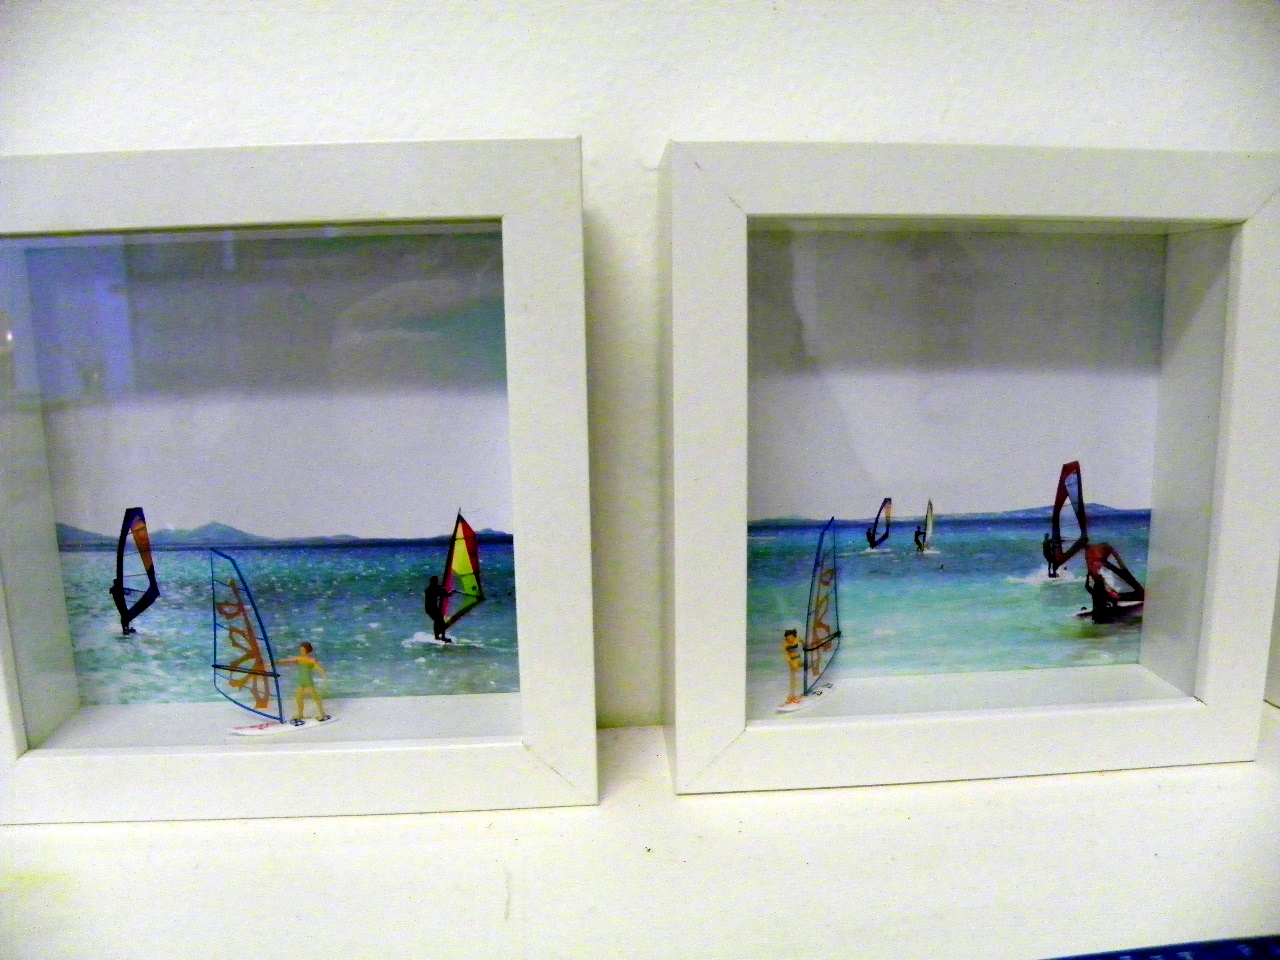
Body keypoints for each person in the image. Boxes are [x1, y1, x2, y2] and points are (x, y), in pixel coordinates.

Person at [278, 641, 329, 724]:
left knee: (315, 698)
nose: (301, 651)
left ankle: (322, 714)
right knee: (298, 698)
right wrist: (272, 663)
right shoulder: (298, 659)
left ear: (308, 651)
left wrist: (325, 678)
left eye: (303, 650)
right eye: (300, 650)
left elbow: (320, 669)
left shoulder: (311, 660)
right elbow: (286, 661)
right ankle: (300, 714)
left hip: (308, 682)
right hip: (301, 682)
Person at [423, 575, 450, 642]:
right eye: (436, 581)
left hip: (429, 609)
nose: (437, 582)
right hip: (432, 609)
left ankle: (437, 636)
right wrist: (452, 591)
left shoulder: (430, 589)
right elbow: (446, 595)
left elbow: (441, 592)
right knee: (440, 621)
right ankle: (442, 637)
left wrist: (442, 589)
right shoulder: (434, 588)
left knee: (437, 621)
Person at [781, 629, 804, 706]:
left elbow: (802, 641)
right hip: (792, 661)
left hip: (798, 659)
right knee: (793, 678)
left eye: (791, 637)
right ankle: (792, 696)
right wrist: (791, 663)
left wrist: (804, 645)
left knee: (797, 676)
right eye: (788, 638)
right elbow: (785, 654)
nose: (790, 639)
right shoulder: (785, 643)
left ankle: (793, 695)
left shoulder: (797, 639)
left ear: (794, 636)